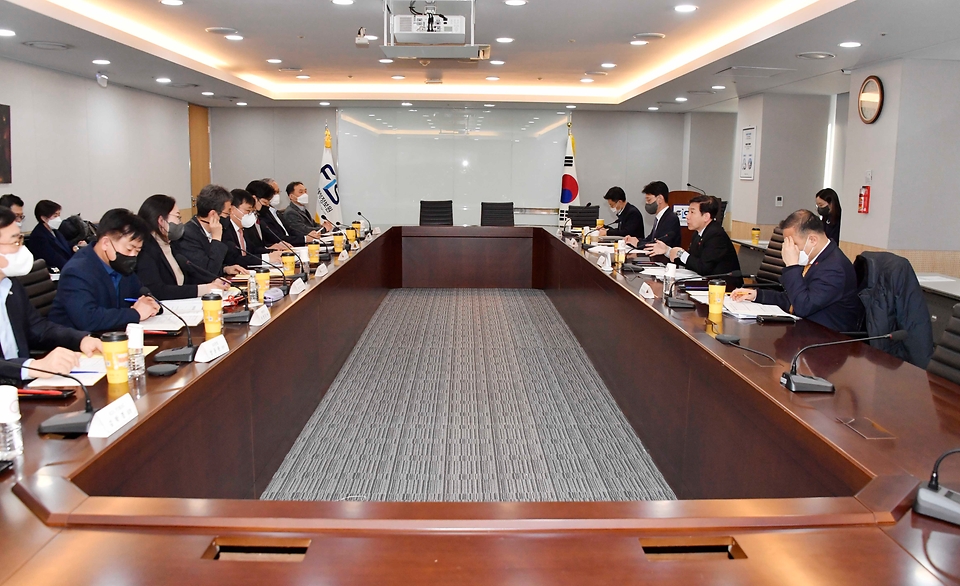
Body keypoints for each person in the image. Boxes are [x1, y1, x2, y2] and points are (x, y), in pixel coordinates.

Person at [0, 206, 103, 383]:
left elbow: (38, 328)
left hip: (23, 388)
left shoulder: (10, 285)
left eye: (21, 240)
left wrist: (81, 340)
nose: (21, 248)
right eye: (15, 242)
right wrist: (32, 367)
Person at [731, 209, 862, 332]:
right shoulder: (818, 259)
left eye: (793, 244)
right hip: (806, 330)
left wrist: (792, 267)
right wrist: (756, 295)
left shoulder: (834, 268)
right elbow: (793, 298)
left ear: (813, 240)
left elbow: (803, 306)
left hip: (829, 340)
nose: (790, 249)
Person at [48, 209, 160, 333]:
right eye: (129, 249)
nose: (133, 256)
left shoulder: (121, 266)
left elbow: (140, 295)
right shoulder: (76, 271)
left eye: (137, 251)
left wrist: (151, 305)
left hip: (113, 337)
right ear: (106, 243)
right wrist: (135, 313)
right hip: (77, 346)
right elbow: (88, 319)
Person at [136, 194, 229, 300]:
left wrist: (212, 282)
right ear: (161, 221)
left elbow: (188, 277)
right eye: (177, 217)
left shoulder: (170, 245)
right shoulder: (145, 250)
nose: (180, 222)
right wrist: (204, 288)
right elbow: (158, 291)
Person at [646, 195, 741, 281]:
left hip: (726, 289)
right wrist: (667, 250)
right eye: (688, 212)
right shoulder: (698, 233)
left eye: (692, 212)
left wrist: (680, 253)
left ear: (706, 216)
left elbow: (703, 268)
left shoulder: (716, 235)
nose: (687, 217)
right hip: (705, 283)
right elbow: (690, 262)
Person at [172, 184, 245, 279]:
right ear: (213, 214)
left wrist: (225, 269)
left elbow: (211, 263)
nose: (228, 217)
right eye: (227, 213)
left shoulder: (210, 230)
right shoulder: (188, 235)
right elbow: (207, 274)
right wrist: (216, 239)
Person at [247, 180, 318, 247]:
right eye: (265, 202)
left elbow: (290, 231)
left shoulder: (275, 212)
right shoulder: (258, 217)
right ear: (254, 199)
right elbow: (274, 238)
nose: (267, 205)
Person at [221, 189, 279, 268]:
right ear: (232, 210)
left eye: (251, 212)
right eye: (247, 211)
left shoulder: (246, 228)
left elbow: (253, 250)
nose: (249, 215)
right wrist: (267, 258)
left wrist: (274, 252)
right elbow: (234, 259)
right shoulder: (224, 229)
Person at [625, 181, 681, 249]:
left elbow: (658, 245)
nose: (646, 203)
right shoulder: (659, 218)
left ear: (660, 199)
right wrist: (633, 240)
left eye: (649, 200)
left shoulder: (671, 219)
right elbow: (650, 239)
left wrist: (637, 243)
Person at [26, 200, 76, 271]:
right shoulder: (39, 237)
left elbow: (66, 246)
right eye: (55, 216)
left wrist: (75, 247)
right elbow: (54, 258)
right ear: (43, 218)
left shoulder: (55, 230)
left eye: (59, 215)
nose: (58, 219)